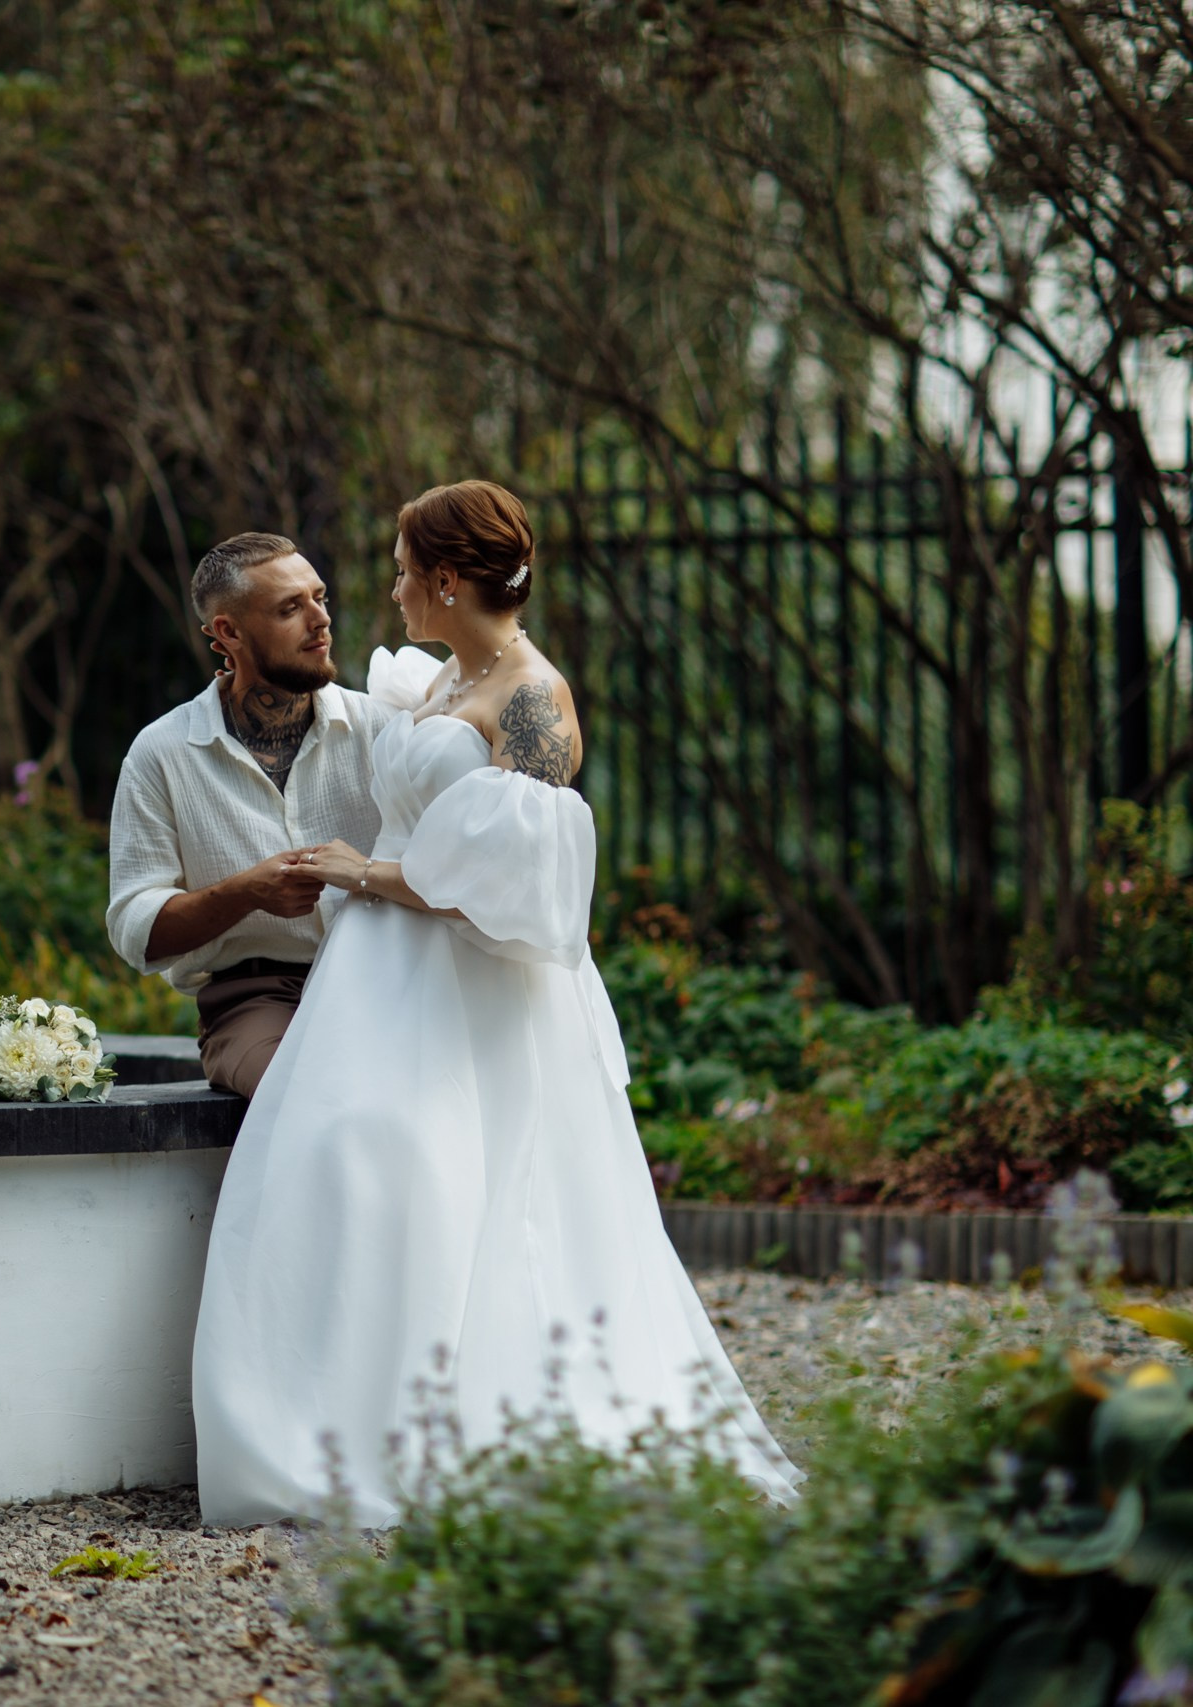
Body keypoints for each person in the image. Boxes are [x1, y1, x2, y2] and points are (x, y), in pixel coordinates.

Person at [189, 481, 798, 1527]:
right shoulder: (443, 677)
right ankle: (345, 1424)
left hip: (473, 995)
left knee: (463, 1190)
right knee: (350, 1174)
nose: (388, 591)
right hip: (377, 983)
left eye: (399, 571)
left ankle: (469, 1428)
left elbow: (516, 889)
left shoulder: (532, 701)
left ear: (443, 579)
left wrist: (359, 871)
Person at [107, 533, 399, 1098]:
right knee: (309, 1096)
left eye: (320, 598)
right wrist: (246, 893)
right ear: (229, 632)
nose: (320, 620)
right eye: (290, 608)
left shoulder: (384, 730)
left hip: (391, 978)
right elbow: (135, 930)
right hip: (256, 998)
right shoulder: (161, 752)